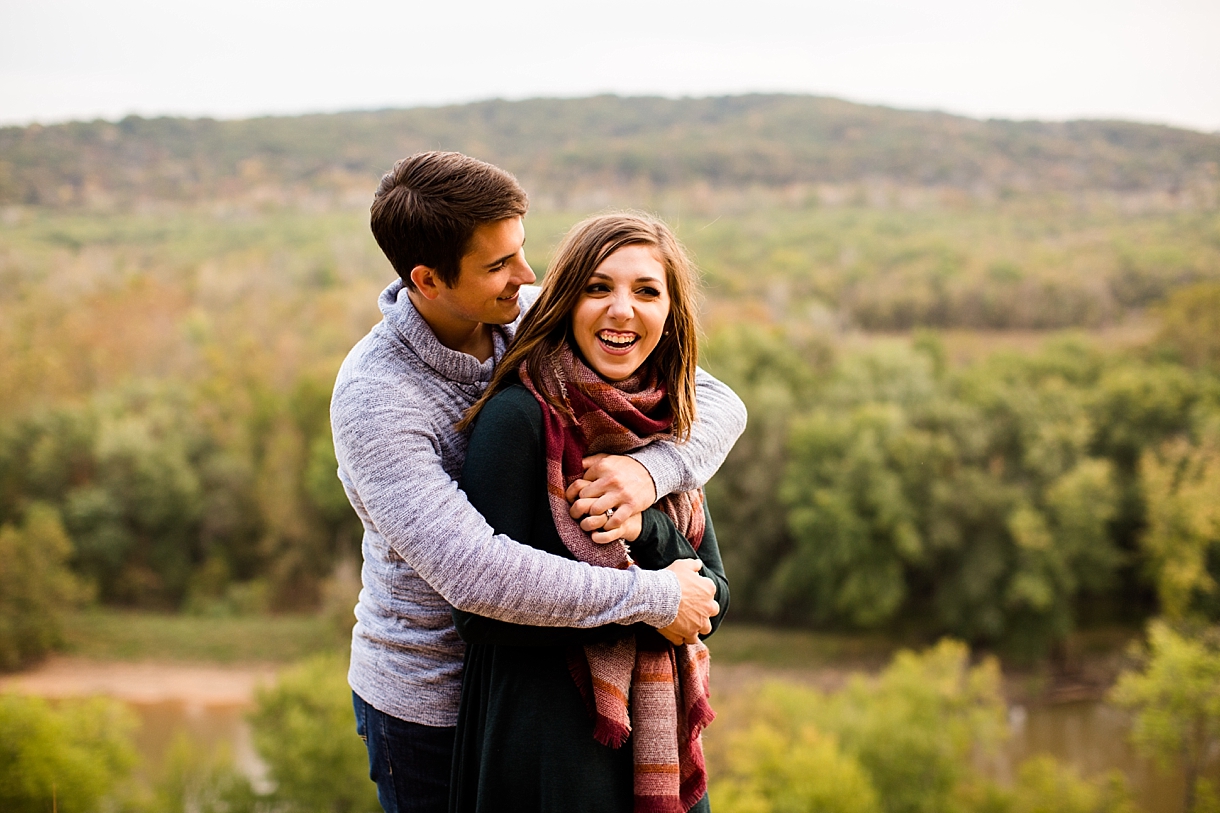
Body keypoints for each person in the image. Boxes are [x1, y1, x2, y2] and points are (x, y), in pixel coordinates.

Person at [330, 152, 746, 813]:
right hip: (434, 702)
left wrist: (647, 473)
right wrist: (653, 596)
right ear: (429, 280)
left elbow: (716, 400)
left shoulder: (527, 311)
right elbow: (478, 574)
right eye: (499, 265)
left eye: (521, 251)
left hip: (564, 684)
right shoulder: (378, 398)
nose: (527, 277)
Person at [450, 212, 729, 813]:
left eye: (646, 291)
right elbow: (477, 614)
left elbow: (714, 599)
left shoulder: (670, 425)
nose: (622, 310)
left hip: (655, 746)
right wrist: (654, 602)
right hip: (545, 743)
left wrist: (647, 523)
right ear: (566, 301)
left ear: (671, 314)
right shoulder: (519, 419)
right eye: (598, 287)